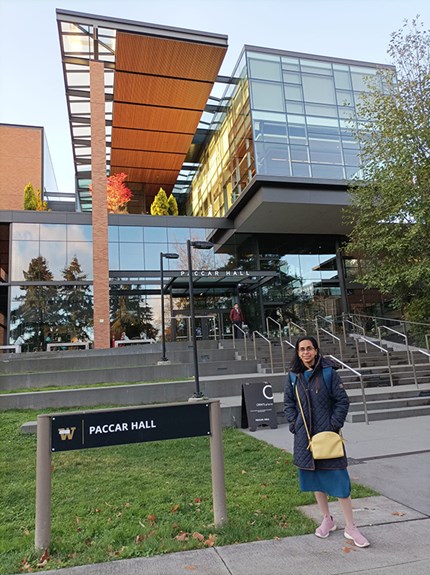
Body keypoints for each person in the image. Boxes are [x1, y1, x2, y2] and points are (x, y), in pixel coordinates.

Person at [284, 335, 370, 548]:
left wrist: (333, 424)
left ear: (316, 351)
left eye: (309, 348)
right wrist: (294, 424)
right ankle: (327, 519)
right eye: (302, 349)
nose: (306, 352)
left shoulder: (329, 373)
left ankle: (351, 527)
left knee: (339, 480)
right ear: (298, 352)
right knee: (315, 478)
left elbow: (342, 400)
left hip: (328, 437)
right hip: (305, 437)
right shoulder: (294, 376)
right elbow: (288, 402)